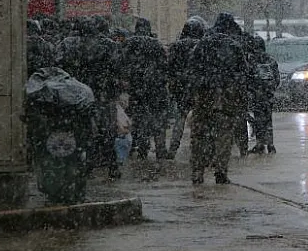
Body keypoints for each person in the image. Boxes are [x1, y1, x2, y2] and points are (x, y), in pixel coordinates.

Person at [187, 12, 250, 184]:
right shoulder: (234, 46)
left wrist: (198, 89)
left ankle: (197, 172)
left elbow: (191, 70)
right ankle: (221, 171)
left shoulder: (202, 44)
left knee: (199, 134)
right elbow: (244, 74)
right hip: (227, 95)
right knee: (224, 134)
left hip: (204, 94)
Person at [55, 16, 122, 179]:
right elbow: (117, 68)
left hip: (76, 94)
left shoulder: (68, 44)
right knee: (106, 130)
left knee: (81, 130)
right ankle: (111, 165)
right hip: (102, 93)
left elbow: (58, 67)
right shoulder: (108, 45)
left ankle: (85, 164)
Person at [122, 18, 170, 160]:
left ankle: (142, 146)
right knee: (158, 118)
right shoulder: (156, 44)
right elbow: (164, 66)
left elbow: (123, 64)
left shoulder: (129, 43)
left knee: (139, 117)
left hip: (136, 88)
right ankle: (160, 148)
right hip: (156, 88)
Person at [166, 16, 208, 159]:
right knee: (201, 118)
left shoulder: (176, 46)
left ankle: (173, 149)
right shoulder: (203, 45)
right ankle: (199, 148)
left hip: (181, 88)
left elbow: (169, 67)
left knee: (180, 118)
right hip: (198, 87)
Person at [248, 35, 280, 154]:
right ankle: (270, 144)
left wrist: (251, 90)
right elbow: (277, 79)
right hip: (268, 96)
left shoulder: (251, 61)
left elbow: (248, 77)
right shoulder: (270, 60)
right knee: (268, 119)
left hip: (257, 95)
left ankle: (260, 143)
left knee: (258, 119)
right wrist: (271, 90)